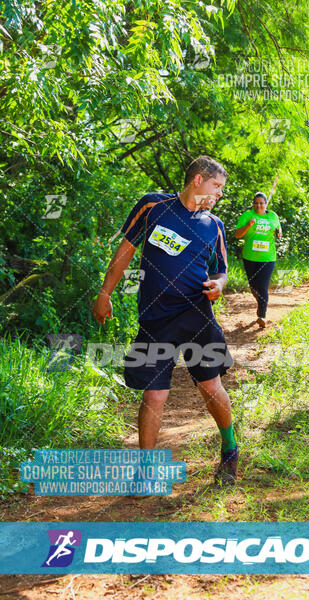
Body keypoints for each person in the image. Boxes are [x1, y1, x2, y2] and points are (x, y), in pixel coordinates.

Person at [92, 156, 238, 484]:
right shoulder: (153, 207)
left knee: (210, 386)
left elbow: (222, 271)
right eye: (217, 187)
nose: (219, 194)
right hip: (156, 319)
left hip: (197, 317)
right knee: (153, 395)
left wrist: (218, 286)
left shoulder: (213, 225)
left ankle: (229, 449)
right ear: (197, 179)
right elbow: (126, 250)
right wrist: (105, 292)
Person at [234, 191, 282, 327]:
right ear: (253, 204)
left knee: (262, 286)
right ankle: (261, 302)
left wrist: (278, 232)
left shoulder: (273, 216)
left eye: (261, 203)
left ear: (266, 204)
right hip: (250, 256)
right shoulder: (247, 215)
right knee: (253, 286)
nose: (258, 205)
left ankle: (262, 315)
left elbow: (279, 230)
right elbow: (237, 234)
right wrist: (248, 225)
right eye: (256, 203)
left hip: (267, 257)